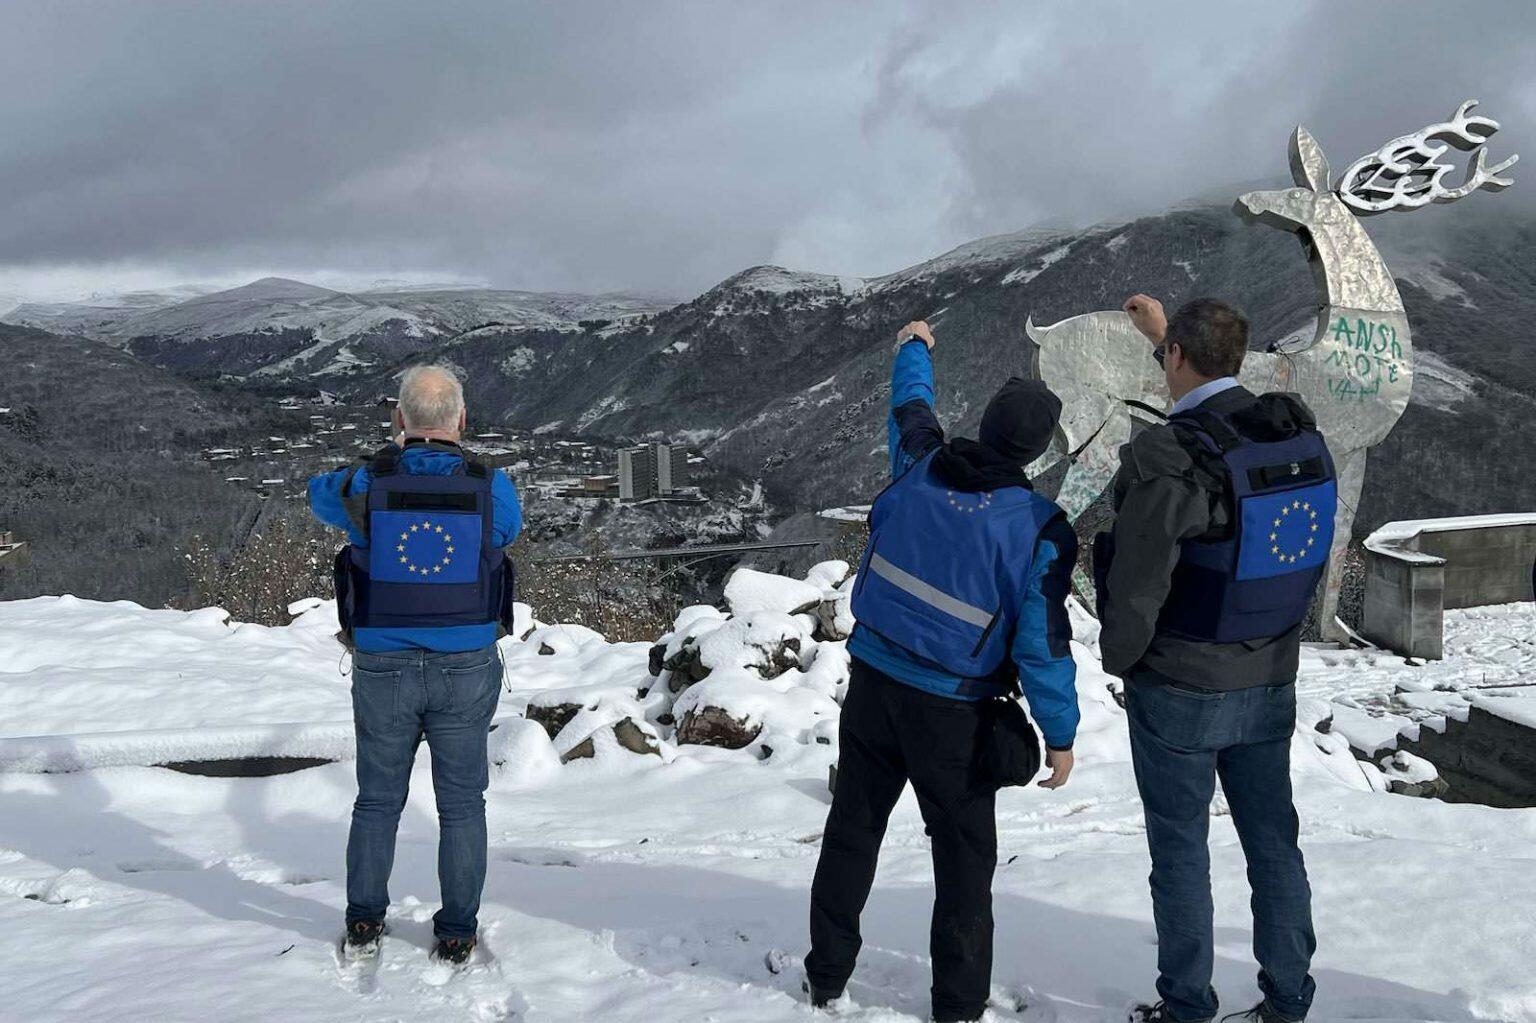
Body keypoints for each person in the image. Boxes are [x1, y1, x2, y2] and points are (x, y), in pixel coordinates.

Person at [804, 319, 1080, 1023]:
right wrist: (1060, 733)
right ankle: (957, 1006)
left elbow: (910, 406)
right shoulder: (1040, 528)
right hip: (956, 715)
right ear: (1040, 450)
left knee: (853, 832)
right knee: (962, 864)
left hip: (871, 687)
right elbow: (1042, 645)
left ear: (985, 423)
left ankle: (826, 976)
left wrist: (915, 346)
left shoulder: (920, 463)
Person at [1099, 295, 1334, 1023]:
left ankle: (1187, 1006)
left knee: (1181, 851)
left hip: (1181, 680)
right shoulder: (1293, 436)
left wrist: (1123, 661)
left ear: (1176, 356)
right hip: (1270, 672)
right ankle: (1288, 999)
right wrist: (1165, 338)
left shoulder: (1170, 455)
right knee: (1274, 844)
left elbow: (1136, 583)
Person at [308, 364, 522, 966]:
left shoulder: (365, 483)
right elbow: (505, 533)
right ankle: (457, 930)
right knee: (463, 804)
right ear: (463, 419)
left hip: (383, 662)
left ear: (399, 418)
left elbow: (318, 494)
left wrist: (382, 459)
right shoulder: (491, 485)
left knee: (377, 800)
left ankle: (364, 920)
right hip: (466, 661)